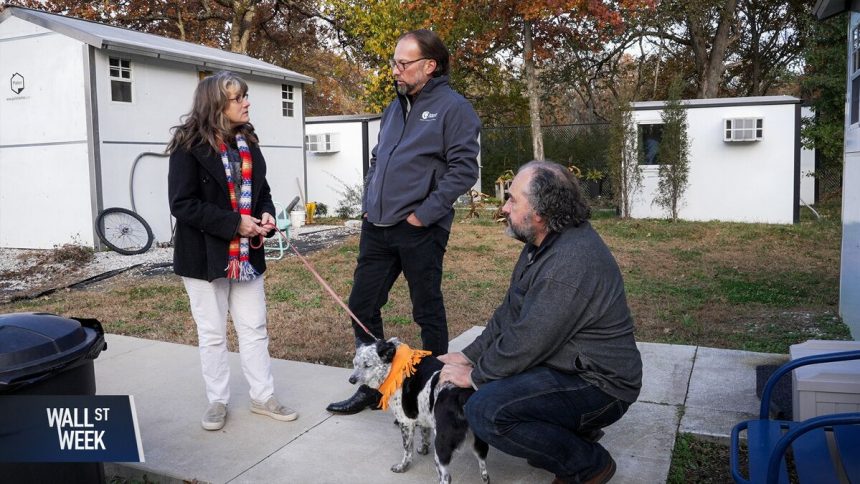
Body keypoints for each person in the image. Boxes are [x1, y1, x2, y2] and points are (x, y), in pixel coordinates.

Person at [437, 161, 642, 484]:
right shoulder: (543, 243)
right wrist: (468, 355)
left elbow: (527, 342)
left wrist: (476, 376)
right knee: (507, 403)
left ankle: (588, 465)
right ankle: (571, 432)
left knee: (486, 410)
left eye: (512, 200)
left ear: (540, 213)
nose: (504, 208)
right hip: (568, 365)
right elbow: (510, 312)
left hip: (601, 385)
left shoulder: (568, 264)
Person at [326, 29, 481, 414]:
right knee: (361, 304)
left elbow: (464, 170)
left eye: (403, 63)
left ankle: (436, 391)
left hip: (420, 229)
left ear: (429, 66)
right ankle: (373, 385)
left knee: (426, 309)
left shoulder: (454, 108)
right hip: (377, 227)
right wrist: (368, 201)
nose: (395, 70)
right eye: (394, 62)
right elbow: (377, 158)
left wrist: (422, 215)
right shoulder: (394, 108)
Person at [167, 71, 297, 431]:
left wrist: (266, 212)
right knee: (212, 333)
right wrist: (234, 223)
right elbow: (182, 204)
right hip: (204, 255)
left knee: (254, 327)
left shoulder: (248, 141)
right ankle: (217, 401)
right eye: (237, 98)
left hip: (246, 257)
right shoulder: (187, 145)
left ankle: (263, 397)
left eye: (245, 95)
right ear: (215, 104)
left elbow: (262, 190)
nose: (246, 103)